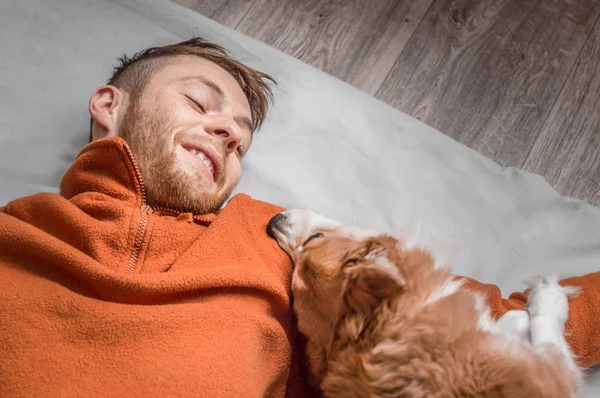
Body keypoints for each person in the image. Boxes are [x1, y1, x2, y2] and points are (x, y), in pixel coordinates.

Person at [0, 38, 598, 398]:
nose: (229, 132)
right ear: (109, 103)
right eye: (201, 102)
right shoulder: (14, 235)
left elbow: (473, 335)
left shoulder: (273, 239)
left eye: (242, 138)